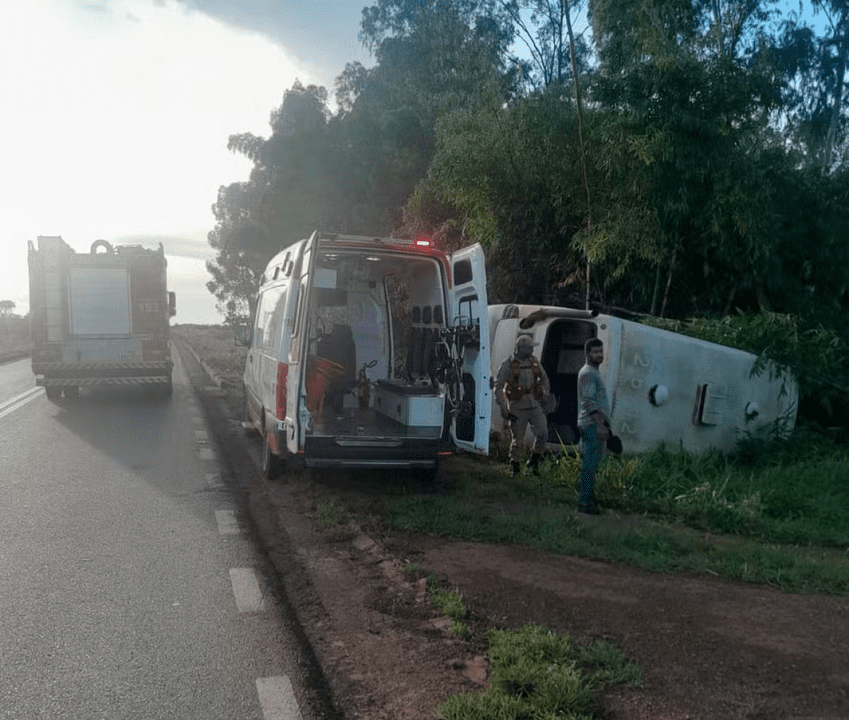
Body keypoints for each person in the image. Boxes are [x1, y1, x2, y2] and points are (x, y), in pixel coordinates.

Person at [495, 334, 552, 475]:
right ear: (521, 348)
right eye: (530, 347)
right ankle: (515, 467)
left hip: (535, 405)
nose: (532, 350)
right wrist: (503, 407)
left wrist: (545, 395)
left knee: (543, 433)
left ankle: (534, 461)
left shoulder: (534, 362)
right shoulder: (508, 365)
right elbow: (498, 387)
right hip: (517, 407)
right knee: (518, 440)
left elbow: (544, 378)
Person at [576, 337, 611, 514]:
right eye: (595, 352)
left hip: (593, 424)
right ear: (587, 353)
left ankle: (587, 499)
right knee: (589, 464)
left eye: (600, 351)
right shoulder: (589, 373)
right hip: (591, 424)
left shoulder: (593, 372)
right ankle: (584, 503)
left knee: (592, 463)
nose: (599, 355)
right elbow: (590, 402)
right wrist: (600, 425)